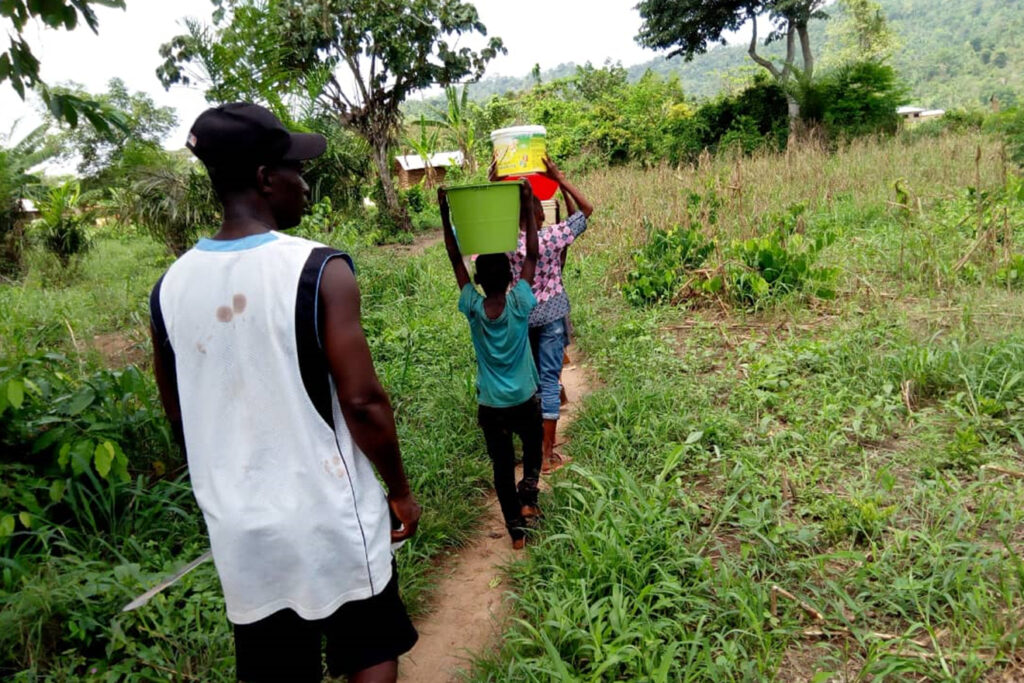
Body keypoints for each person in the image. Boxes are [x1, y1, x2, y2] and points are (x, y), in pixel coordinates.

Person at [149, 103, 420, 683]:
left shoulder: (169, 289)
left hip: (243, 533)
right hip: (330, 517)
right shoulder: (319, 269)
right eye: (296, 170)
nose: (305, 184)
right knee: (369, 651)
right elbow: (364, 401)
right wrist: (399, 490)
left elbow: (180, 414)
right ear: (266, 179)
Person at [439, 182, 541, 549]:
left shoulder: (473, 307)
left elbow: (455, 259)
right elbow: (532, 254)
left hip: (492, 406)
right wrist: (527, 204)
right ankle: (529, 496)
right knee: (532, 449)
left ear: (478, 281)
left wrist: (445, 212)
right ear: (511, 278)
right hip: (524, 399)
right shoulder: (519, 303)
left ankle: (516, 532)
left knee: (501, 467)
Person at [507, 159, 594, 473]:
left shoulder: (507, 243)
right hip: (554, 317)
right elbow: (585, 211)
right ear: (540, 214)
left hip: (521, 319)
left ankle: (531, 448)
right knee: (549, 382)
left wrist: (494, 183)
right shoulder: (553, 237)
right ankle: (546, 456)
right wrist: (559, 179)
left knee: (529, 385)